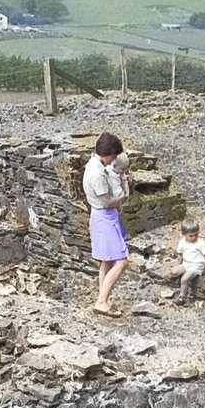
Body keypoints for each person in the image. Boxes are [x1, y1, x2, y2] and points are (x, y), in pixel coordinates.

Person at [83, 132, 129, 316]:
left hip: (102, 216)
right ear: (108, 154)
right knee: (122, 261)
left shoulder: (95, 164)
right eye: (114, 155)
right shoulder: (97, 174)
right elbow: (107, 202)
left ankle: (104, 296)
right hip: (104, 217)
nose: (115, 160)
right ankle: (101, 301)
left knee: (107, 259)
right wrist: (123, 195)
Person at [172, 219, 205, 305]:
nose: (194, 237)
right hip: (186, 263)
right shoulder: (182, 242)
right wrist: (177, 264)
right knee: (174, 271)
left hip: (196, 266)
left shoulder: (200, 243)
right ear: (184, 234)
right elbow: (180, 254)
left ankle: (182, 297)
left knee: (184, 279)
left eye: (196, 235)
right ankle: (180, 282)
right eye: (191, 236)